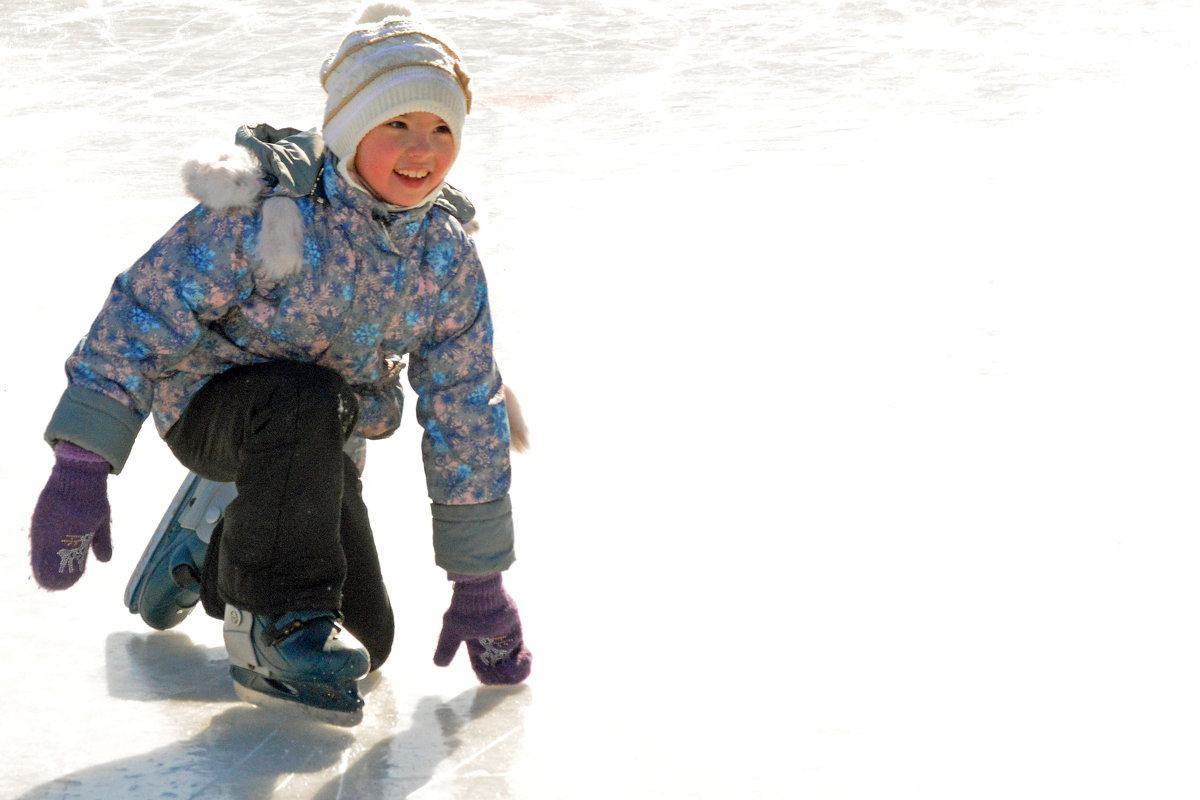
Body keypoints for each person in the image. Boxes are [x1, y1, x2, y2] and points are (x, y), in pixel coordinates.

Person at [27, 3, 531, 725]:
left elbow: (465, 405)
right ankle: (269, 626)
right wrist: (80, 468)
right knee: (302, 409)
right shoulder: (271, 207)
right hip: (212, 407)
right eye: (398, 124)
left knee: (367, 641)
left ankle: (218, 534)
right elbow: (144, 312)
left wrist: (479, 583)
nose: (423, 149)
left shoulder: (443, 253)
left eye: (442, 128)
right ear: (351, 129)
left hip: (319, 437)